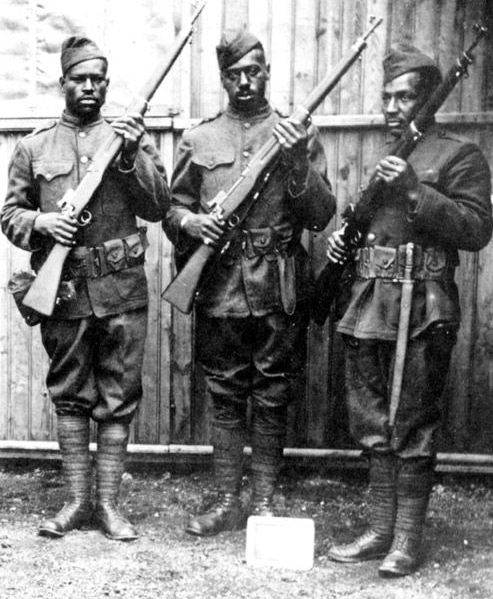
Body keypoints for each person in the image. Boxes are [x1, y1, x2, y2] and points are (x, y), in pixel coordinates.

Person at [326, 45, 493, 576]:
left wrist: (415, 189)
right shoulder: (386, 153)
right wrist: (343, 245)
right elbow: (374, 229)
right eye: (387, 96)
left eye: (405, 97)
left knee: (414, 422)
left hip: (423, 305)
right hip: (370, 301)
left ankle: (407, 539)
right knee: (371, 418)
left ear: (428, 101)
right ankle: (379, 529)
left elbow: (476, 230)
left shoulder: (458, 155)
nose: (393, 106)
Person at [163, 29, 336, 536]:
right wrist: (192, 225)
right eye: (234, 74)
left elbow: (321, 214)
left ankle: (261, 501)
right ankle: (225, 500)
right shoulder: (199, 138)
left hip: (277, 286)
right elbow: (173, 209)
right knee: (224, 392)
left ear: (266, 73)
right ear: (223, 79)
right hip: (218, 285)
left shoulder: (296, 133)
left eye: (253, 71)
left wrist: (299, 160)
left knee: (273, 390)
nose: (245, 81)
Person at [1, 36, 171, 541]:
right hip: (66, 291)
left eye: (98, 79)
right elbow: (8, 215)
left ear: (107, 84)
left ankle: (110, 507)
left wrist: (133, 152)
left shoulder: (127, 139)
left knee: (118, 397)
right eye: (80, 78)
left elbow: (159, 206)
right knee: (72, 394)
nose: (90, 87)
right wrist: (43, 224)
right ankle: (77, 502)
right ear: (64, 84)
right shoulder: (34, 147)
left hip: (120, 290)